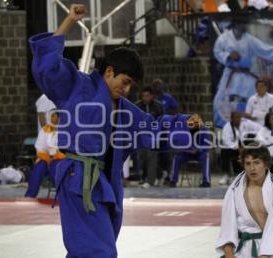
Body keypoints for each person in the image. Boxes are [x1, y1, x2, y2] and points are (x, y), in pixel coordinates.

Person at [29, 4, 202, 258]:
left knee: (87, 252)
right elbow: (48, 69)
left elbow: (153, 129)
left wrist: (184, 122)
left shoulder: (127, 111)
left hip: (106, 185)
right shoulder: (78, 86)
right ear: (109, 72)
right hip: (78, 181)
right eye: (125, 82)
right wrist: (68, 21)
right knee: (100, 252)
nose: (127, 89)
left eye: (132, 85)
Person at [216, 145, 273, 258]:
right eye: (248, 163)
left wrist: (264, 255)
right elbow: (227, 226)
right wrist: (229, 254)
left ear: (266, 164)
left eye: (256, 162)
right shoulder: (235, 189)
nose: (252, 168)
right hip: (245, 247)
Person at [213, 19, 273, 128]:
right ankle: (225, 127)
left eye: (245, 22)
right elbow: (217, 51)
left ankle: (250, 127)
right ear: (236, 23)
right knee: (220, 100)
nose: (245, 25)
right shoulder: (224, 38)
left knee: (252, 101)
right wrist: (228, 55)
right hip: (230, 75)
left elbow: (264, 49)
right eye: (242, 22)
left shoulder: (249, 39)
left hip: (246, 77)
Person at [25, 110, 65, 197]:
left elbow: (64, 149)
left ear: (59, 117)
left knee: (56, 170)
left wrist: (55, 157)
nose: (51, 118)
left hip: (59, 159)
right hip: (45, 158)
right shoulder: (45, 130)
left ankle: (62, 198)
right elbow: (40, 147)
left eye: (53, 116)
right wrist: (47, 158)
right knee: (37, 170)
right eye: (50, 116)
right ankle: (29, 197)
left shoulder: (65, 131)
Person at [219, 111, 262, 185]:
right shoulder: (227, 127)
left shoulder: (246, 123)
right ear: (231, 119)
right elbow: (226, 141)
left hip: (246, 147)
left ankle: (247, 174)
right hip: (233, 148)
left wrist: (254, 142)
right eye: (236, 118)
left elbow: (260, 129)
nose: (238, 119)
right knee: (224, 151)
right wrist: (238, 147)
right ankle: (226, 175)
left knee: (252, 142)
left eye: (239, 117)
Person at [169, 116, 211, 188]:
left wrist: (198, 150)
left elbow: (207, 146)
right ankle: (173, 180)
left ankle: (206, 181)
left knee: (206, 156)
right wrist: (185, 149)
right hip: (186, 153)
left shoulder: (204, 130)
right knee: (177, 157)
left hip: (199, 153)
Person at [135, 86, 163, 188]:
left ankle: (150, 181)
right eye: (143, 96)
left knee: (152, 156)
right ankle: (159, 174)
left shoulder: (158, 106)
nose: (145, 98)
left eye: (147, 96)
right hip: (141, 136)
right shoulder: (137, 106)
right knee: (143, 158)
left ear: (152, 96)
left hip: (153, 136)